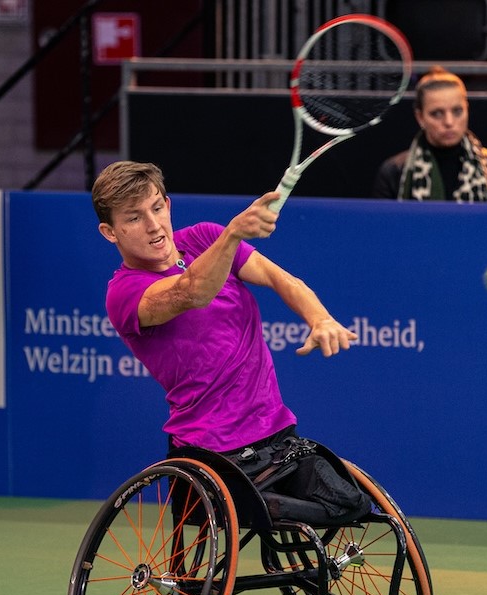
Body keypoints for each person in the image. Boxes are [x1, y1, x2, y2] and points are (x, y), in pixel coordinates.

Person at [92, 161, 370, 525]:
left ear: (168, 205)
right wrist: (233, 233)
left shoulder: (205, 238)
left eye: (157, 208)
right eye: (134, 217)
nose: (154, 225)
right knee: (269, 511)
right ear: (110, 232)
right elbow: (193, 291)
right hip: (211, 453)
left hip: (276, 436)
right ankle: (266, 509)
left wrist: (320, 318)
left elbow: (281, 279)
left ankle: (273, 509)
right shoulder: (124, 293)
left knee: (353, 503)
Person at [372, 67, 487, 203]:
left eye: (457, 111)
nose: (449, 122)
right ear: (420, 117)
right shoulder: (393, 173)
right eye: (437, 113)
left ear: (467, 109)